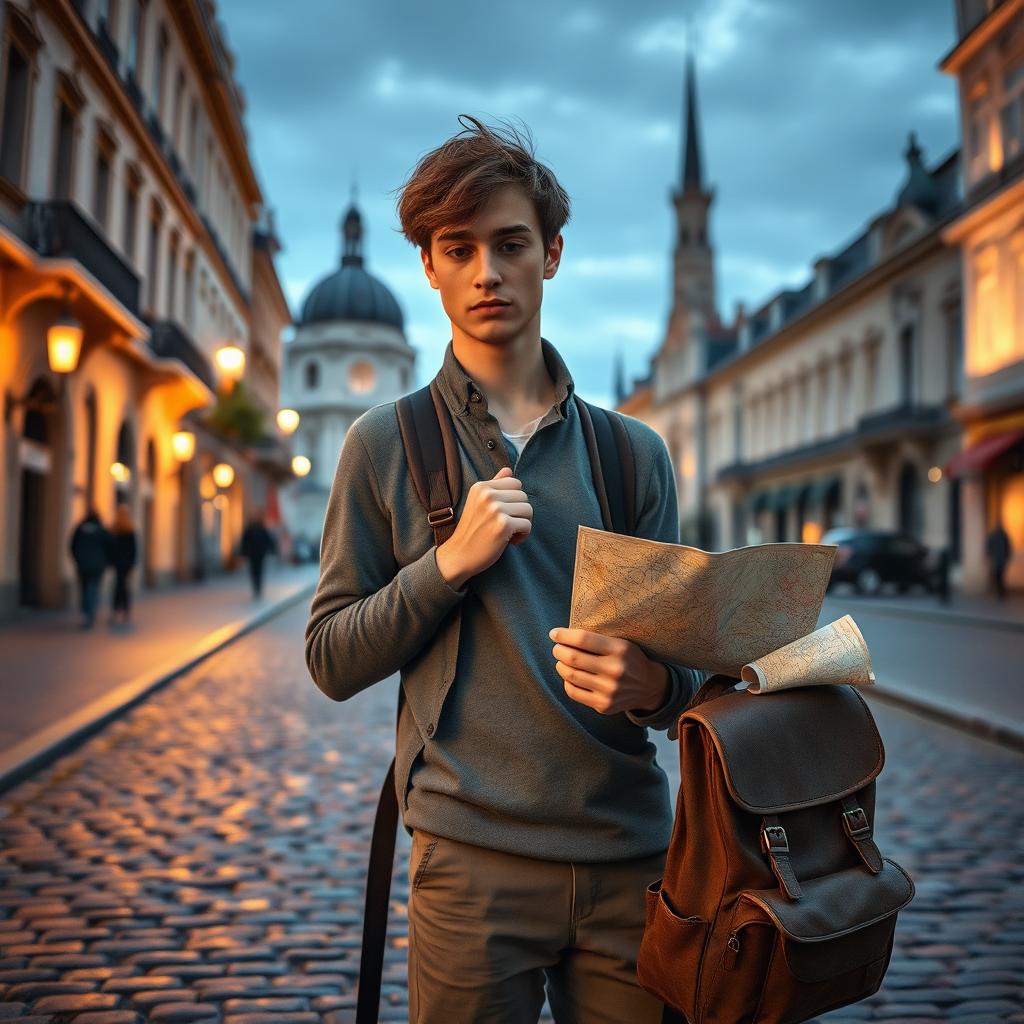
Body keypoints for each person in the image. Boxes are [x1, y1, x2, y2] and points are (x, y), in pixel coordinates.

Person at [305, 115, 708, 1024]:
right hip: (468, 867)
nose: (487, 270)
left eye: (511, 243)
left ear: (552, 255)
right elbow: (330, 658)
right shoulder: (383, 445)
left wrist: (652, 683)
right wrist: (447, 564)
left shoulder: (632, 455)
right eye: (460, 247)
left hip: (632, 863)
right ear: (430, 266)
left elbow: (692, 683)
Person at [69, 507, 111, 630]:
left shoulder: (80, 529)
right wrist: (106, 561)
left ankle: (85, 612)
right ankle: (90, 612)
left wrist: (77, 559)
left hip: (82, 564)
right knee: (93, 588)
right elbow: (109, 546)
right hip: (98, 565)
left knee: (83, 588)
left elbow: (72, 545)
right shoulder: (101, 530)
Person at [109, 503, 138, 626]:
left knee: (119, 587)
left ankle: (118, 611)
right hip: (123, 563)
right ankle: (123, 611)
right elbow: (134, 549)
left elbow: (112, 547)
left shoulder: (118, 529)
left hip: (120, 563)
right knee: (123, 587)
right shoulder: (126, 529)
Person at [240, 510, 277, 598]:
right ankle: (256, 587)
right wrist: (243, 552)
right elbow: (245, 541)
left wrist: (272, 549)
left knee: (258, 570)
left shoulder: (261, 528)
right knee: (255, 570)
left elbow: (268, 540)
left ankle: (258, 587)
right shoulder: (251, 529)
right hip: (254, 553)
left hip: (259, 553)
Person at [985, 520, 1012, 601]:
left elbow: (1008, 547)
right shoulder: (1001, 535)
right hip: (999, 559)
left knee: (999, 576)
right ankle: (1001, 592)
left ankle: (1001, 592)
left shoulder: (1001, 535)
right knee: (999, 576)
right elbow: (989, 546)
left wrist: (989, 555)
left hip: (999, 559)